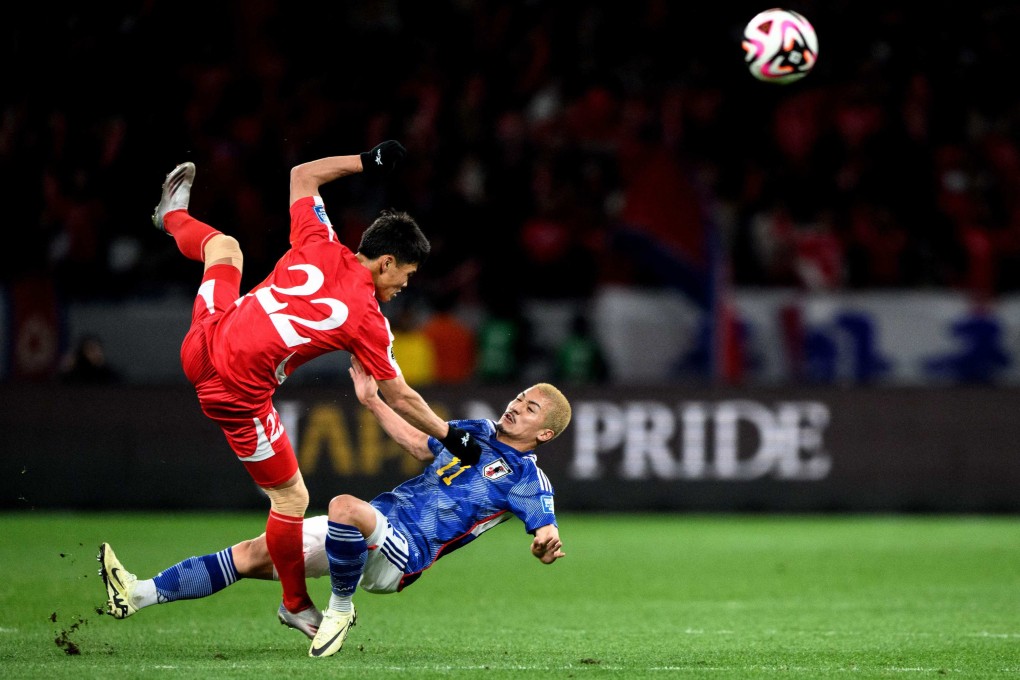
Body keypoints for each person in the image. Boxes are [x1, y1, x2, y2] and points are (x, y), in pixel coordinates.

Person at [121, 142, 484, 639]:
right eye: (407, 274)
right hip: (234, 392)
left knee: (224, 248)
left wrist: (366, 161)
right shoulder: (368, 319)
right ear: (387, 262)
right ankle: (295, 604)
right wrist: (450, 435)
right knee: (292, 498)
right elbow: (398, 394)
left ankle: (172, 217)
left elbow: (302, 176)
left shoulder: (319, 240)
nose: (405, 285)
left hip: (205, 339)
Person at [98, 356, 571, 659]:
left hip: (406, 554)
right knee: (256, 552)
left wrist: (546, 544)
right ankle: (138, 594)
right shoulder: (480, 431)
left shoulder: (528, 479)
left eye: (529, 409)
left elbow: (545, 529)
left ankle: (338, 610)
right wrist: (371, 402)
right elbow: (419, 444)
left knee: (345, 504)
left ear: (544, 434)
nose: (516, 407)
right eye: (519, 398)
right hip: (376, 526)